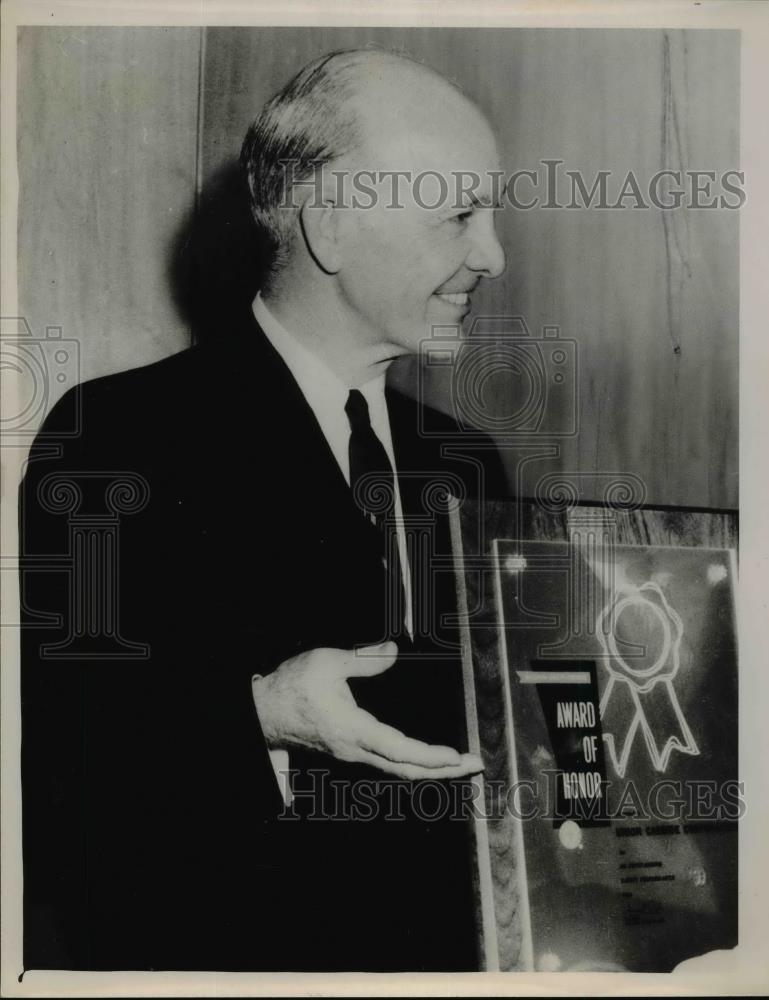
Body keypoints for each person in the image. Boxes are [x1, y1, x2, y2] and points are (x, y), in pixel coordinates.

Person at [20, 48, 508, 972]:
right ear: (330, 225)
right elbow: (56, 761)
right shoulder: (115, 437)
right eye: (458, 216)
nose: (492, 254)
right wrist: (263, 713)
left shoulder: (467, 464)